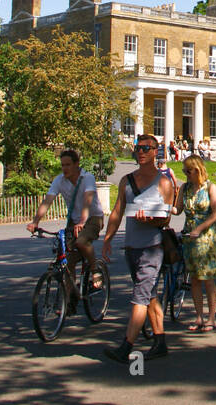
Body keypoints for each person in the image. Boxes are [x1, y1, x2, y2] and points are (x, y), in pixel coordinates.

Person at [101, 135, 176, 364]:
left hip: (152, 248)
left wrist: (149, 221)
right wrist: (107, 239)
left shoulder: (164, 183)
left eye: (146, 148)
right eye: (138, 148)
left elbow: (165, 221)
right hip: (131, 246)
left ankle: (127, 347)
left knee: (140, 297)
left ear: (156, 151)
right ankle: (160, 341)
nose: (140, 151)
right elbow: (116, 211)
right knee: (150, 295)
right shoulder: (126, 181)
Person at [27, 149, 103, 283]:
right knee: (67, 261)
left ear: (77, 164)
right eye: (62, 165)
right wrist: (35, 222)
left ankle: (94, 268)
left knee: (81, 241)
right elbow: (47, 201)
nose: (64, 168)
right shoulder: (59, 180)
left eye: (68, 165)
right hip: (74, 221)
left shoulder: (87, 178)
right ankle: (70, 299)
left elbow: (87, 201)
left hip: (93, 218)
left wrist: (82, 221)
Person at [179, 156, 216, 332]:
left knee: (208, 278)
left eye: (187, 171)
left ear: (197, 170)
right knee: (195, 278)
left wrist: (200, 228)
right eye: (184, 171)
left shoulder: (211, 188)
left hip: (208, 238)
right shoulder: (185, 188)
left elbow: (215, 214)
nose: (185, 174)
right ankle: (199, 317)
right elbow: (177, 209)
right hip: (189, 237)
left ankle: (211, 318)